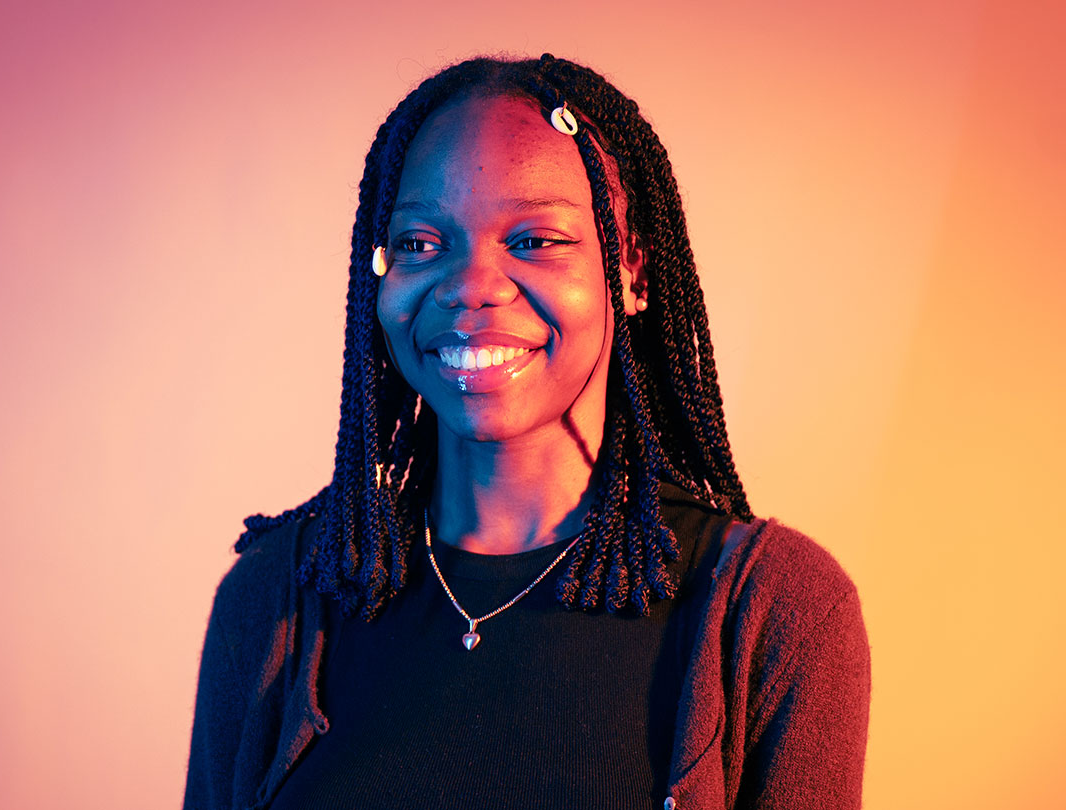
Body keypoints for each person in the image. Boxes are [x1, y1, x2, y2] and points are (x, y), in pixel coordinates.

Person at [183, 54, 871, 810]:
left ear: (633, 272)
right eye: (420, 243)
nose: (471, 286)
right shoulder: (278, 600)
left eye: (536, 240)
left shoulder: (774, 611)